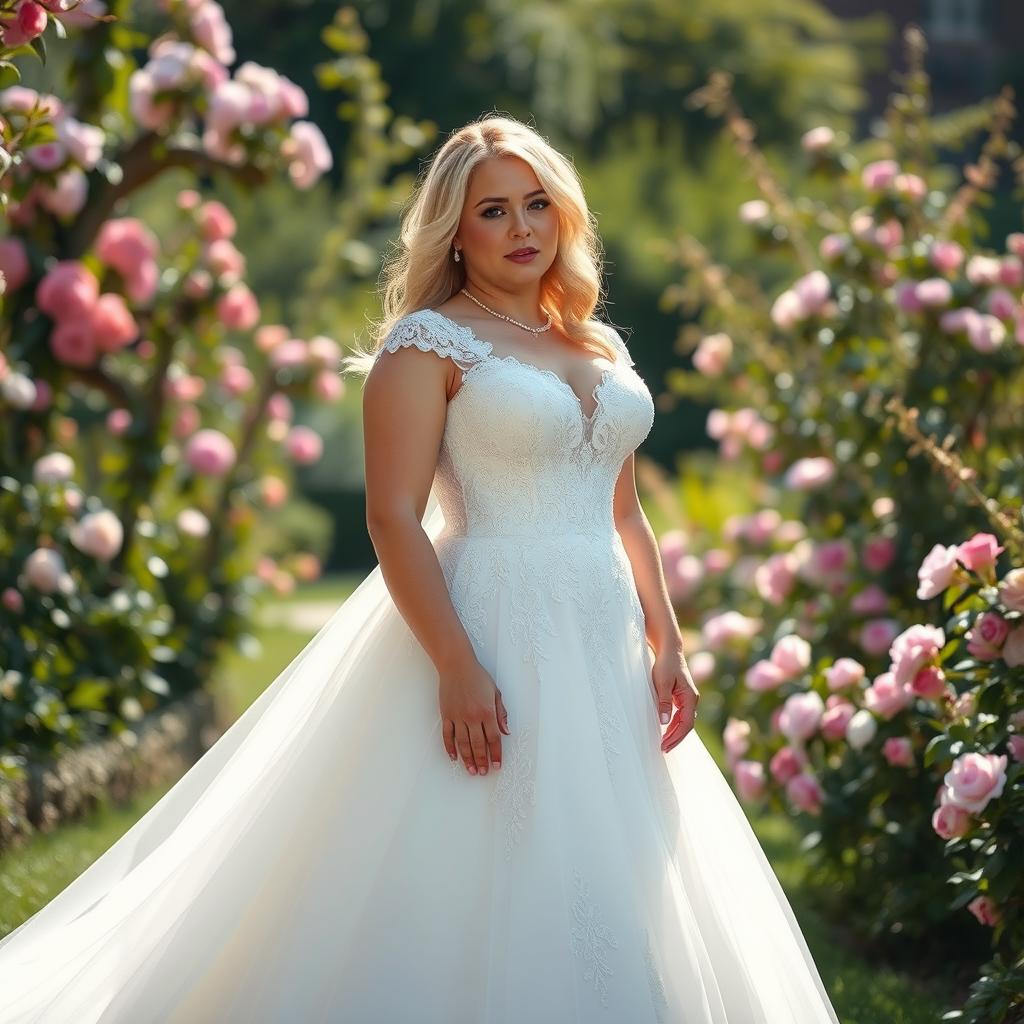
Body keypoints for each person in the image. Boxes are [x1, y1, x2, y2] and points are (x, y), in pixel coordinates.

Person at [0, 115, 841, 1023]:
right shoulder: (426, 347)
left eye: (536, 205)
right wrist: (455, 663)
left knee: (613, 847)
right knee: (478, 847)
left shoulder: (597, 345)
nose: (522, 228)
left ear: (563, 215)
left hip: (603, 640)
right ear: (456, 229)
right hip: (490, 621)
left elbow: (624, 510)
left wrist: (665, 638)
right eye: (493, 211)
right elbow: (391, 518)